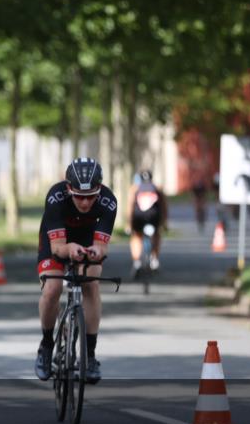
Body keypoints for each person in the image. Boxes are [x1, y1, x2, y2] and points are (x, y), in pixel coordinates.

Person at [35, 157, 117, 385]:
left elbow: (102, 246)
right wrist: (69, 249)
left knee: (91, 282)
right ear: (69, 189)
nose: (85, 202)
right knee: (52, 288)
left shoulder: (108, 201)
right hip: (57, 240)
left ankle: (90, 356)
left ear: (99, 190)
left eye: (91, 196)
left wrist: (97, 251)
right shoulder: (55, 196)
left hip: (87, 238)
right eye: (79, 196)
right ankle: (46, 346)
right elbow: (58, 248)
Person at [128, 169, 168, 274]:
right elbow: (164, 206)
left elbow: (130, 206)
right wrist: (164, 222)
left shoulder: (135, 188)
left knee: (136, 236)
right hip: (154, 216)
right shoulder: (157, 188)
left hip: (138, 217)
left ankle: (137, 262)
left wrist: (129, 224)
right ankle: (154, 260)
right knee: (157, 234)